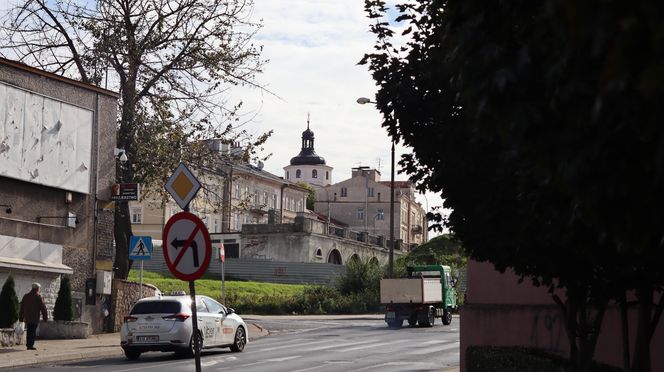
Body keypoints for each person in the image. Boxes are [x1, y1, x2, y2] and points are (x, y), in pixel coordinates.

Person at [19, 283, 48, 350]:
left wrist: (21, 316)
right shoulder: (38, 297)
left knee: (29, 330)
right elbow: (43, 308)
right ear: (37, 289)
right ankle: (30, 345)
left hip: (27, 317)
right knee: (33, 331)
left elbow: (22, 307)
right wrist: (45, 317)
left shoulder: (26, 296)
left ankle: (28, 344)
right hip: (34, 317)